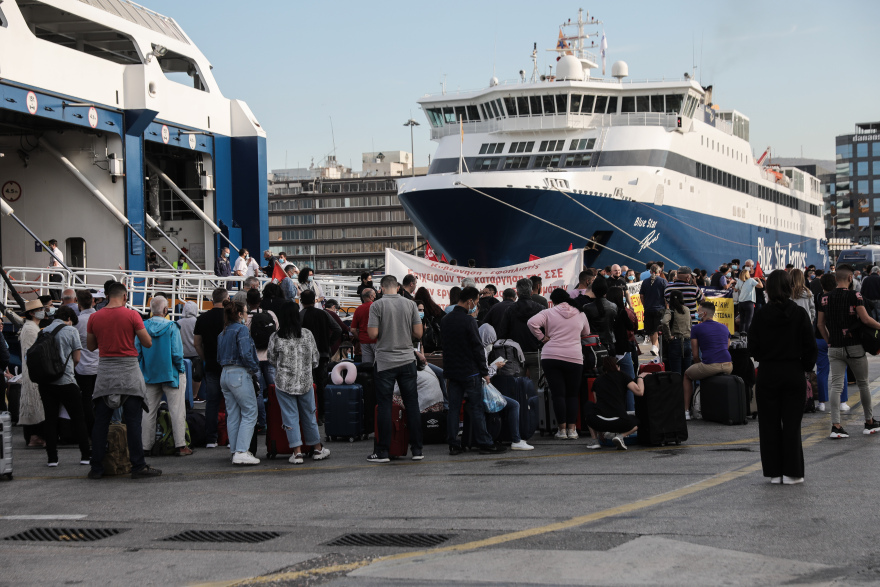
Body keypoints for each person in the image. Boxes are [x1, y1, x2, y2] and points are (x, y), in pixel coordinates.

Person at [747, 270, 817, 485]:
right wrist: (804, 367)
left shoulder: (760, 314)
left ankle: (773, 472)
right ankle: (792, 472)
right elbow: (810, 347)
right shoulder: (798, 313)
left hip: (768, 372)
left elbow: (753, 347)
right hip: (793, 370)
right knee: (792, 425)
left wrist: (765, 357)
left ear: (767, 289)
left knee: (768, 424)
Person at [86, 282, 161, 479]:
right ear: (125, 296)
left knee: (101, 421)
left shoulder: (95, 317)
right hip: (128, 371)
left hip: (106, 372)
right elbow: (147, 342)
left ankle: (96, 468)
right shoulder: (132, 315)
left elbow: (91, 346)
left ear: (108, 295)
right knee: (133, 421)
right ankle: (138, 466)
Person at [817, 265, 880, 438]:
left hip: (834, 347)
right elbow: (866, 319)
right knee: (863, 384)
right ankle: (869, 422)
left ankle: (836, 426)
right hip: (854, 347)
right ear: (850, 278)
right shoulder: (855, 295)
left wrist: (830, 340)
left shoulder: (824, 298)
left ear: (836, 279)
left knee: (836, 386)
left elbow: (820, 324)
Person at [441, 286, 505, 455]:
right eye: (476, 302)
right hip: (470, 372)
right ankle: (484, 442)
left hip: (452, 372)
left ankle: (454, 444)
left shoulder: (446, 320)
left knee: (453, 409)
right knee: (476, 408)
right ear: (469, 301)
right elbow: (477, 348)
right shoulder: (469, 321)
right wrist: (485, 372)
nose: (476, 306)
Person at [367, 275, 424, 462]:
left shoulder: (376, 306)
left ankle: (383, 451)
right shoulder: (410, 305)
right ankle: (417, 450)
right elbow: (418, 333)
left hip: (385, 362)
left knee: (384, 405)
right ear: (398, 287)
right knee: (412, 404)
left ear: (381, 288)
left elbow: (373, 333)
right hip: (408, 360)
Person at [267, 301, 330, 463]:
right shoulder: (307, 334)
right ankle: (317, 448)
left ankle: (297, 452)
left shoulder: (276, 337)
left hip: (284, 383)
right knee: (309, 415)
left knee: (290, 417)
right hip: (305, 382)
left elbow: (271, 359)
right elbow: (315, 360)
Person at [528, 289, 591, 440]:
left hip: (551, 356)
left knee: (558, 394)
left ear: (554, 301)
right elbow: (586, 332)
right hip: (574, 357)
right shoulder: (580, 313)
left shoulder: (548, 312)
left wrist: (542, 337)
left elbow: (531, 323)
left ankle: (561, 430)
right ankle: (572, 429)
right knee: (572, 394)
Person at [36, 306, 90, 467]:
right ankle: (85, 456)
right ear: (69, 319)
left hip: (46, 383)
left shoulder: (43, 331)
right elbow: (77, 358)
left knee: (50, 419)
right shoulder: (71, 331)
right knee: (78, 419)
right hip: (66, 381)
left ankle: (52, 458)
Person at [137, 296, 191, 457]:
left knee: (148, 412)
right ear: (166, 310)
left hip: (149, 375)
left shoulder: (143, 327)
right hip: (171, 374)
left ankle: (145, 446)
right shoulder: (171, 327)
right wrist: (181, 370)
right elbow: (176, 353)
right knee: (177, 410)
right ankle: (180, 445)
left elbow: (137, 352)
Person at [216, 299, 261, 465]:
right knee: (250, 412)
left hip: (225, 373)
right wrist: (254, 368)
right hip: (239, 374)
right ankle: (242, 451)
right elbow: (245, 353)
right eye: (245, 312)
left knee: (233, 415)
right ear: (240, 314)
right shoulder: (241, 329)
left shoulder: (223, 332)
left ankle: (235, 450)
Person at [479, 324, 533, 451]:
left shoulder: (476, 349)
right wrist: (495, 367)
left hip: (477, 390)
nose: (491, 344)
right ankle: (516, 439)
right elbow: (485, 375)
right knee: (514, 405)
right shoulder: (482, 351)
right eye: (491, 340)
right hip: (483, 390)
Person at [683, 302, 733, 420]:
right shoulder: (724, 327)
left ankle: (686, 411)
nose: (697, 313)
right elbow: (726, 348)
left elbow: (695, 355)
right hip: (728, 365)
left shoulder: (696, 328)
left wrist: (700, 364)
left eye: (698, 311)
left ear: (704, 313)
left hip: (710, 365)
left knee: (686, 375)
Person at [583, 356, 645, 450]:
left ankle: (595, 440)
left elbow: (597, 404)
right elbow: (639, 392)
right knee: (637, 422)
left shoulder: (598, 380)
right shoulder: (622, 376)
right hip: (619, 422)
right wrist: (640, 378)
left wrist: (600, 433)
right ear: (617, 366)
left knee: (588, 405)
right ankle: (621, 436)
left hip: (600, 422)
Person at [194, 288, 229, 448]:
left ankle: (211, 439)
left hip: (211, 365)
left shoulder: (202, 318)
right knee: (230, 402)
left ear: (212, 299)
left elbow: (197, 343)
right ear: (226, 299)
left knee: (212, 403)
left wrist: (204, 358)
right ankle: (230, 437)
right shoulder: (229, 317)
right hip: (228, 365)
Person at [300, 290, 341, 420]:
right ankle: (322, 414)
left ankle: (311, 413)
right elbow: (338, 329)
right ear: (314, 300)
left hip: (306, 354)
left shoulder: (300, 315)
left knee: (309, 384)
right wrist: (329, 342)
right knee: (321, 384)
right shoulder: (323, 314)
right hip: (323, 352)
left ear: (301, 301)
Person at [497, 279, 544, 390]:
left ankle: (521, 407)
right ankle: (537, 407)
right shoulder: (540, 309)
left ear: (517, 293)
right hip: (536, 352)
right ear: (531, 292)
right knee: (538, 388)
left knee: (517, 388)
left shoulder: (510, 310)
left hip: (515, 355)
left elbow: (502, 334)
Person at [813, 273, 848, 413]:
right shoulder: (839, 296)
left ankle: (822, 402)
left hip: (820, 337)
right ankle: (843, 402)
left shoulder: (817, 297)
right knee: (841, 371)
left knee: (822, 370)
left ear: (822, 285)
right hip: (837, 337)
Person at [17, 299, 46, 448]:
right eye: (40, 309)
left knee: (36, 404)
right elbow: (32, 352)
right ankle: (34, 436)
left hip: (33, 371)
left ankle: (35, 435)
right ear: (32, 312)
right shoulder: (29, 329)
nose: (43, 311)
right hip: (32, 372)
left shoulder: (32, 327)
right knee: (34, 403)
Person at [607, 287, 637, 410]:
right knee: (630, 383)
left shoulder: (605, 312)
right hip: (623, 350)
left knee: (610, 384)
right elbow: (631, 326)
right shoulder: (622, 312)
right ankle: (630, 412)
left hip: (608, 351)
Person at [74, 290, 99, 434]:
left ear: (78, 303)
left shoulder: (77, 322)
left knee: (85, 400)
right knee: (101, 400)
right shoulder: (100, 318)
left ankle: (89, 430)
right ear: (93, 302)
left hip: (82, 367)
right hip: (100, 365)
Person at [661, 290, 693, 376]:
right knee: (688, 373)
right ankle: (689, 389)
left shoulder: (671, 311)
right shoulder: (687, 309)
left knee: (676, 373)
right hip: (687, 341)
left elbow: (664, 322)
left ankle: (678, 389)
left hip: (676, 342)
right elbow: (690, 324)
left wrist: (668, 336)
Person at [639, 264, 667, 356]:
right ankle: (655, 347)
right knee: (656, 329)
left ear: (650, 272)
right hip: (660, 309)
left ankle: (655, 347)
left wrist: (645, 305)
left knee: (651, 330)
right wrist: (667, 307)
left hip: (648, 309)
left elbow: (641, 296)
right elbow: (666, 296)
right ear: (660, 272)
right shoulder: (663, 281)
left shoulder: (645, 282)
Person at [177, 301, 202, 400]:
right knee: (197, 376)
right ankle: (194, 395)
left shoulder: (178, 323)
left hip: (182, 353)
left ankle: (183, 395)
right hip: (196, 353)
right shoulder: (197, 321)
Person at [351, 289, 378, 364]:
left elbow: (353, 329)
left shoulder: (358, 309)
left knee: (367, 365)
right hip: (376, 339)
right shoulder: (376, 307)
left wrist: (359, 338)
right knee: (379, 365)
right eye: (374, 295)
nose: (375, 296)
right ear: (371, 296)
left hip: (363, 341)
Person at [734, 268, 762, 334]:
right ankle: (748, 335)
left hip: (741, 303)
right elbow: (761, 286)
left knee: (742, 320)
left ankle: (741, 335)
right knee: (748, 320)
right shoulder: (751, 280)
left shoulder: (739, 281)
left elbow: (735, 290)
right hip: (749, 302)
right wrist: (758, 279)